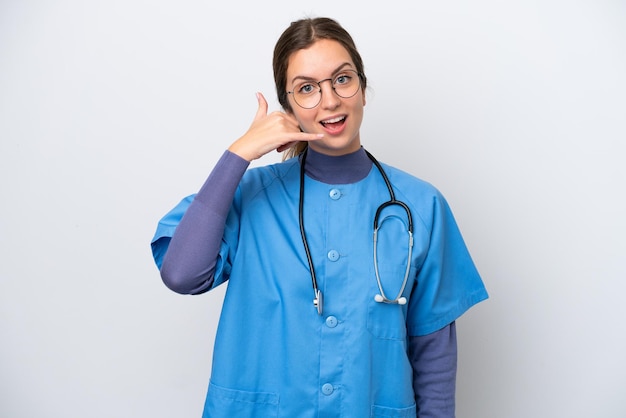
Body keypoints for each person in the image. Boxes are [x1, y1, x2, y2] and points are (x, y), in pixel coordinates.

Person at [150, 16, 488, 418]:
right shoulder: (247, 195)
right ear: (288, 108)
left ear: (363, 89)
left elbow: (434, 356)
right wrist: (240, 153)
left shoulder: (421, 206)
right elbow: (182, 274)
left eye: (342, 80)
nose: (330, 101)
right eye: (307, 89)